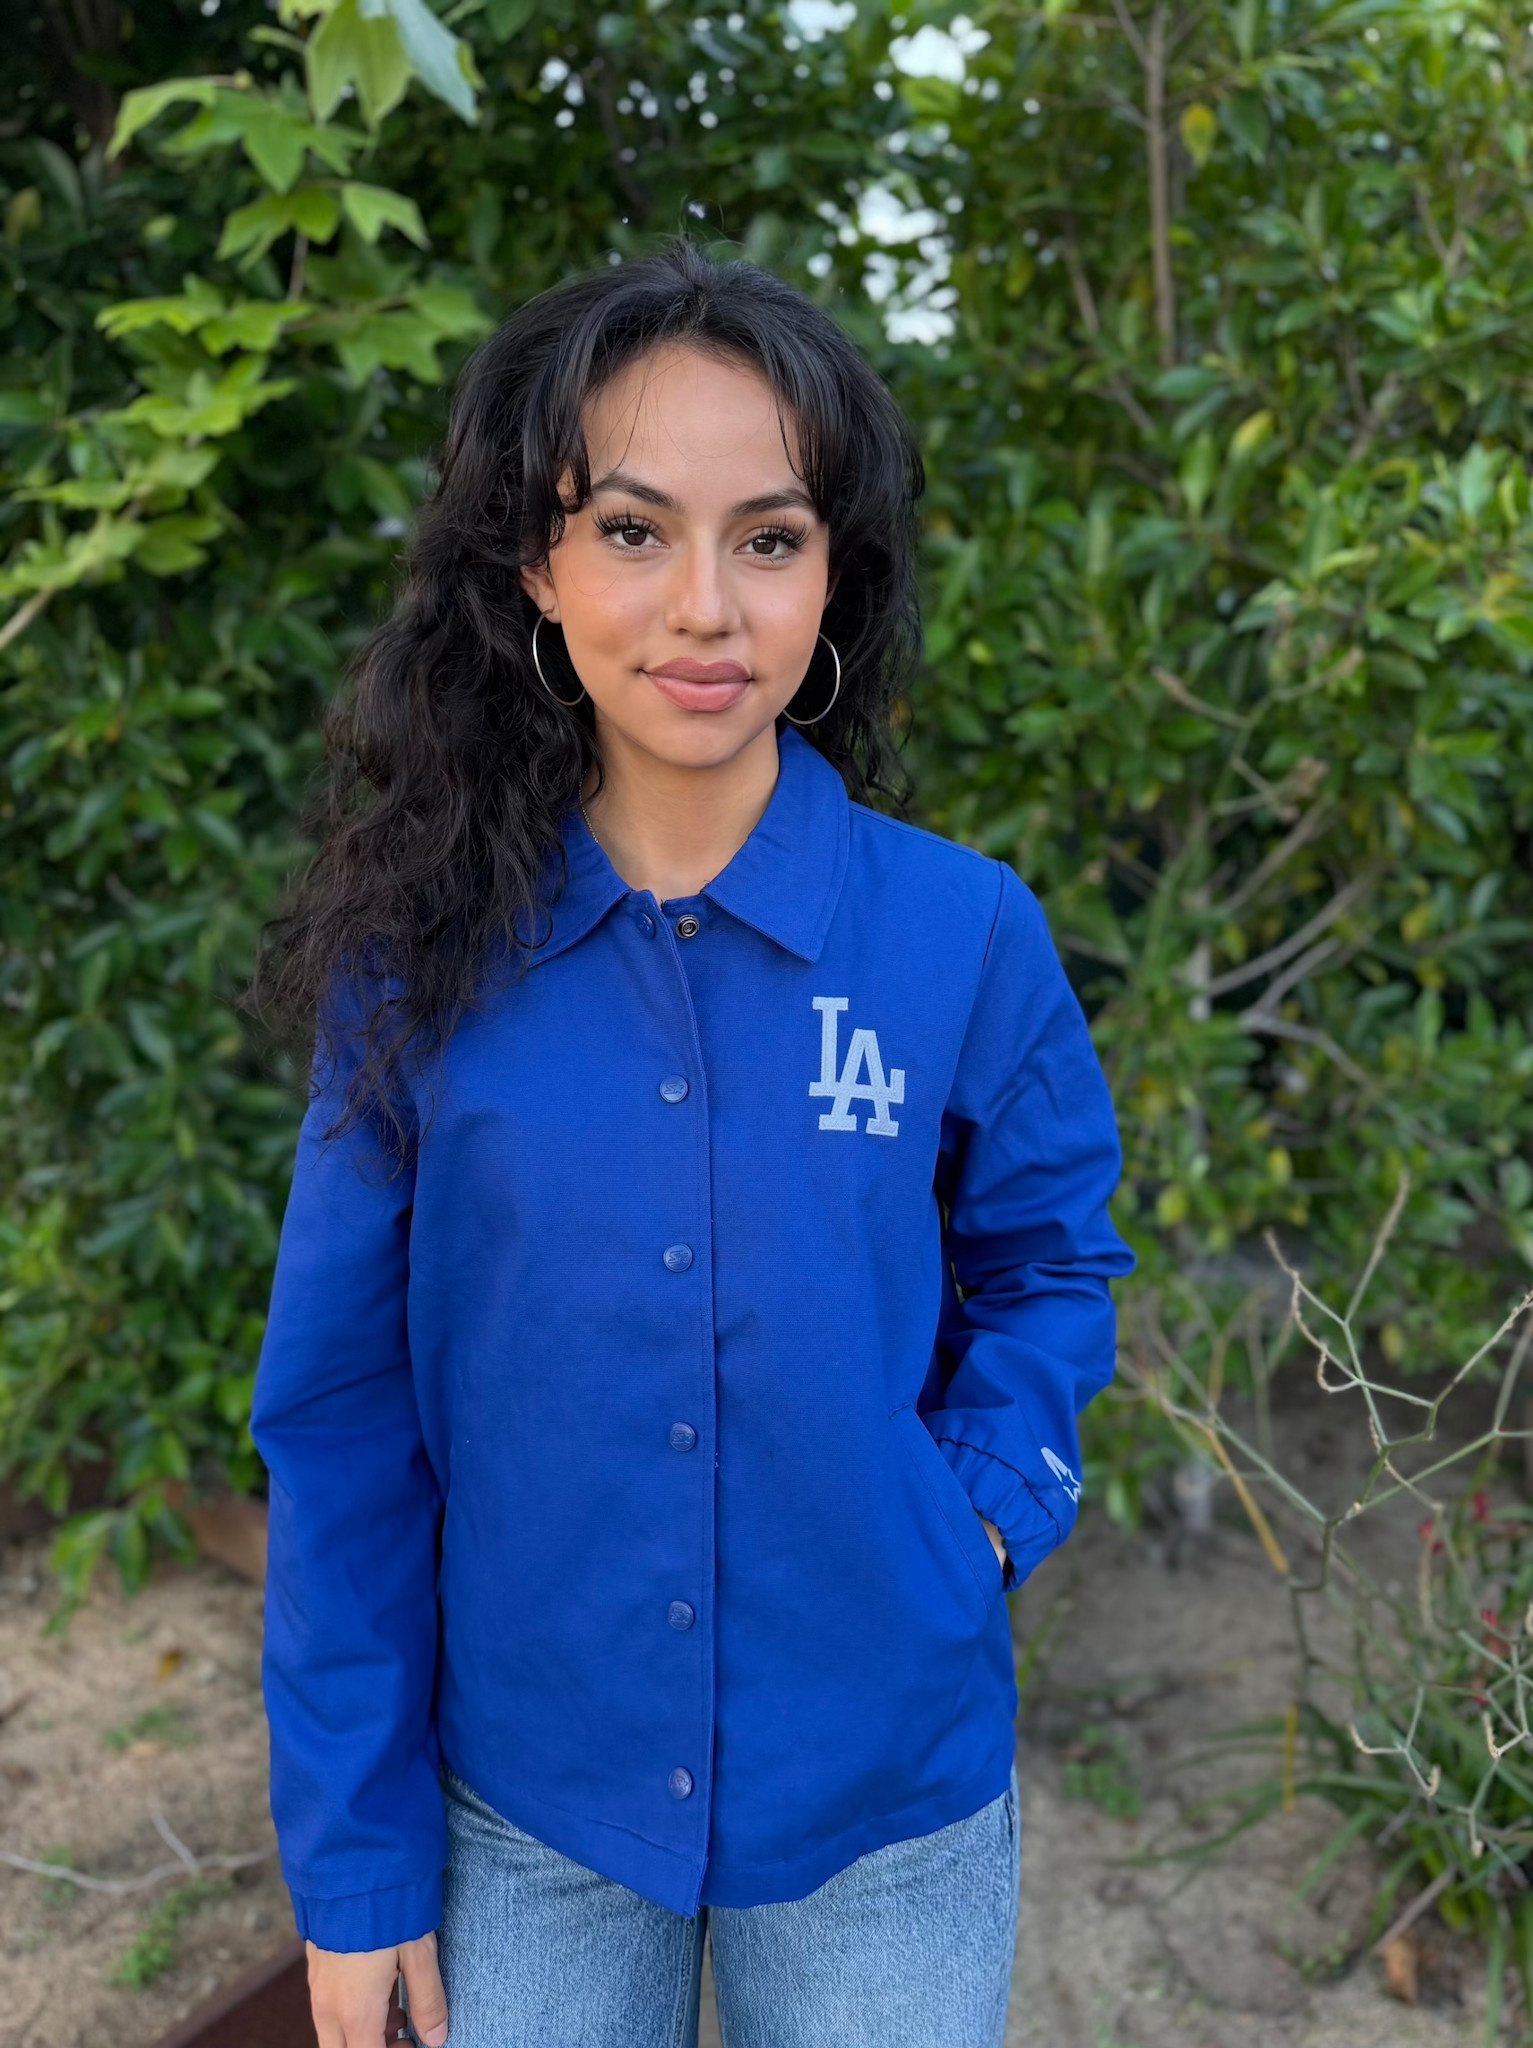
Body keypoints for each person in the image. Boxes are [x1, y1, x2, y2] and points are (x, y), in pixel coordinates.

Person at [247, 235, 1135, 2048]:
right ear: (536, 564)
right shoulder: (420, 963)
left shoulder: (961, 932)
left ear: (834, 572)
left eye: (771, 538)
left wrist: (977, 1516)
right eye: (635, 530)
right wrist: (359, 1863)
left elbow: (1051, 1260)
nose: (706, 610)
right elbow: (342, 1419)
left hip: (885, 1788)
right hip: (531, 1801)